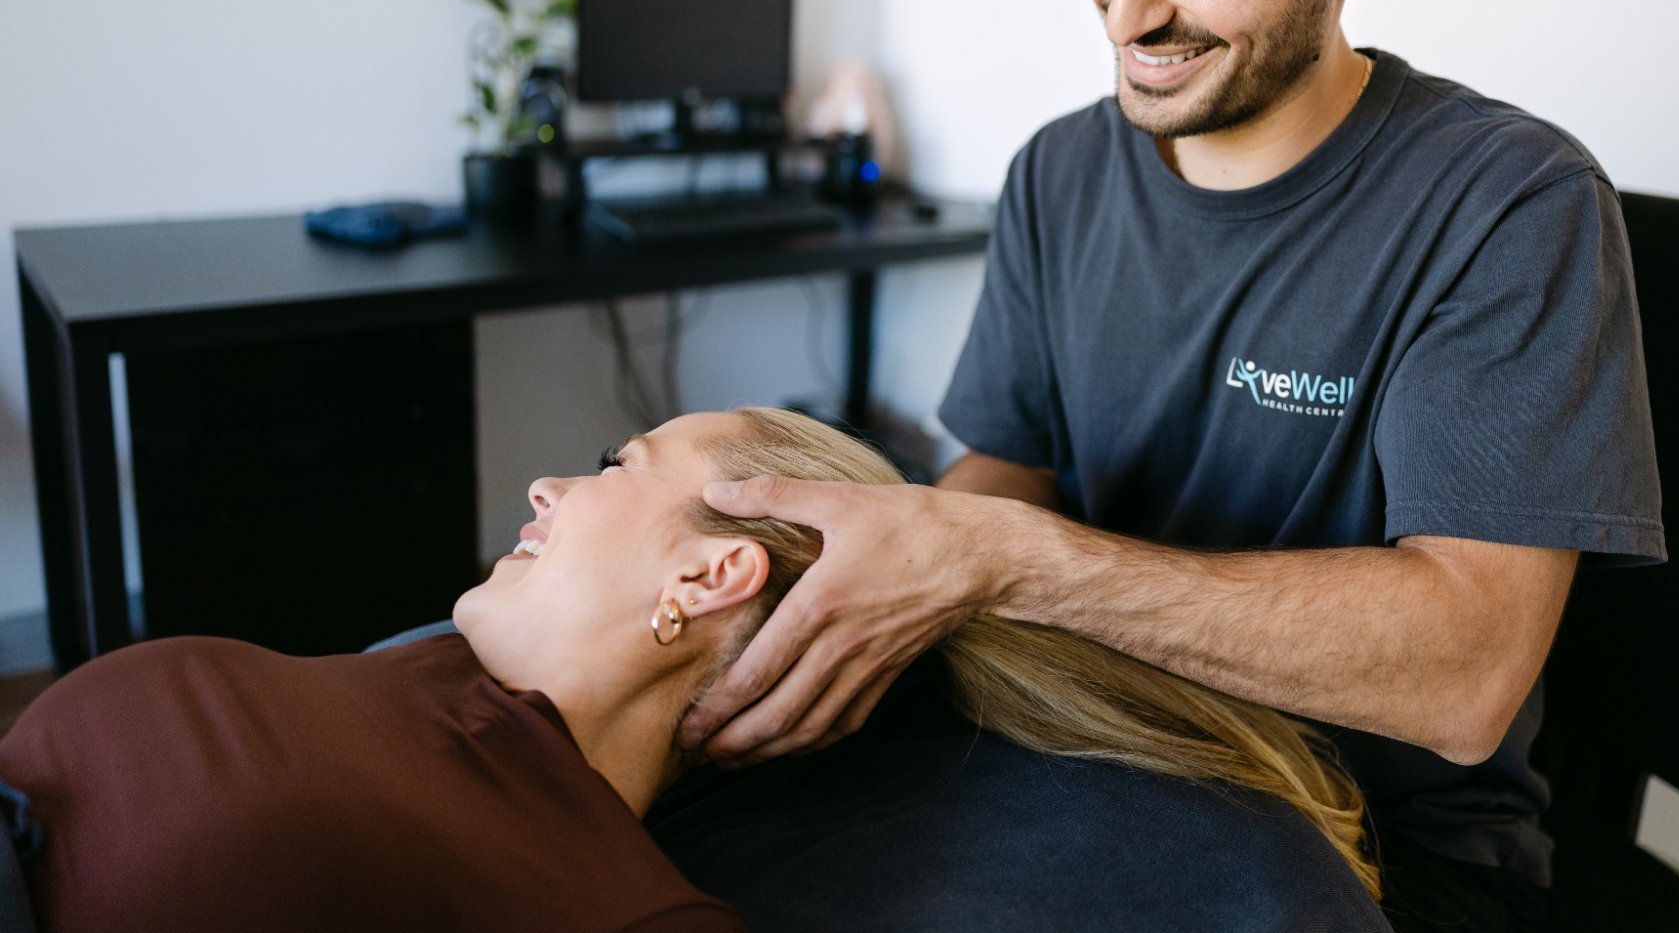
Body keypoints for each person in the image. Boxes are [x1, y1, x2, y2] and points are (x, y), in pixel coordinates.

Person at [673, 0, 1667, 933]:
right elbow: (1008, 471)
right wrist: (870, 564)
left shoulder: (1509, 204)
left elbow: (1464, 669)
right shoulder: (1060, 167)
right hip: (1087, 744)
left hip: (1374, 841)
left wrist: (997, 561)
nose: (1128, 7)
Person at [0, 407, 1388, 933]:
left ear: (711, 575)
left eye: (617, 467)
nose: (547, 483)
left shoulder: (601, 897)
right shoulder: (424, 678)